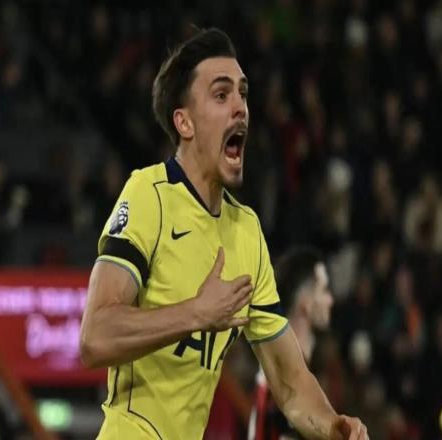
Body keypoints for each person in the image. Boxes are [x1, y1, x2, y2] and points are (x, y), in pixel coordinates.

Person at [80, 28, 368, 440]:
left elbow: (289, 380)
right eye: (221, 95)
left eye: (243, 94)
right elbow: (95, 336)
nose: (241, 108)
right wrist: (195, 313)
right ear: (184, 122)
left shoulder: (245, 231)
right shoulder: (149, 195)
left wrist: (332, 424)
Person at [248, 247, 335, 440]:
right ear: (305, 302)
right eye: (324, 290)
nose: (330, 300)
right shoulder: (285, 379)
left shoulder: (287, 367)